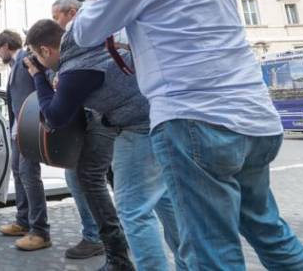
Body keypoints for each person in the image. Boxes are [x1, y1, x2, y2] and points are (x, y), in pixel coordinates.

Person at [71, 0, 303, 270]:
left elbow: (87, 32)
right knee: (269, 232)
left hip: (196, 122)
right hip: (256, 120)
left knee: (212, 250)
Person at [25, 18, 184, 270]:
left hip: (137, 127)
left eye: (36, 54)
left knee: (133, 211)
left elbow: (54, 116)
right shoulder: (85, 47)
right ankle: (189, 262)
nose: (36, 60)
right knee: (163, 201)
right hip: (157, 118)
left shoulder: (76, 68)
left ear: (45, 50)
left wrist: (37, 76)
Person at [50, 0, 103, 260]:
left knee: (86, 178)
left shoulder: (83, 33)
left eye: (56, 17)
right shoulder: (80, 34)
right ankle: (103, 235)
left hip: (101, 120)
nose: (55, 24)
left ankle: (97, 236)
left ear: (71, 12)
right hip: (99, 120)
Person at [0, 30, 52, 251]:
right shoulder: (14, 67)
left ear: (6, 46)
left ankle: (40, 231)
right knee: (18, 172)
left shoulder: (26, 60)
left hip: (29, 129)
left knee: (29, 175)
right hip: (18, 131)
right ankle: (23, 221)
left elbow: (41, 87)